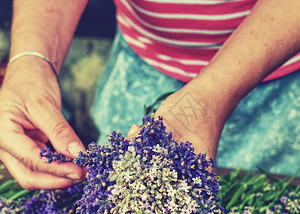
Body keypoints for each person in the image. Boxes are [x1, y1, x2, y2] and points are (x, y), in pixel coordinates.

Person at [0, 0, 299, 190]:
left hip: (279, 87)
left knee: (273, 201)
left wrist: (206, 99)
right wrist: (31, 59)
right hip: (144, 71)